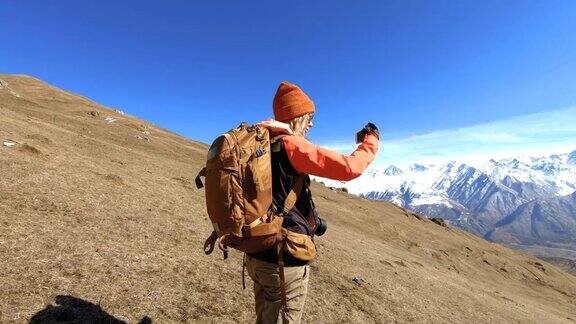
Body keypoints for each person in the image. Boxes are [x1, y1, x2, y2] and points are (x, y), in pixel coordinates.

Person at [245, 81, 380, 324]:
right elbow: (350, 167)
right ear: (296, 116)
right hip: (283, 258)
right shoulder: (292, 145)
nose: (312, 123)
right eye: (309, 117)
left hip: (256, 251)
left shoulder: (260, 143)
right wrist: (371, 141)